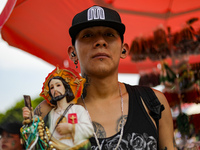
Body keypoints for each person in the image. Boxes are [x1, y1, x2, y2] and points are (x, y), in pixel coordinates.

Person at [34, 5, 177, 150]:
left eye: (109, 34)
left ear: (123, 49)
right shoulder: (49, 112)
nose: (100, 42)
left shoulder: (153, 102)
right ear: (73, 53)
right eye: (88, 35)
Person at [22, 67, 94, 149]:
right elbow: (41, 135)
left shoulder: (78, 109)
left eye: (58, 85)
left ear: (66, 88)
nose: (55, 89)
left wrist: (71, 128)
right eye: (52, 87)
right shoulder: (50, 115)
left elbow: (89, 130)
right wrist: (30, 118)